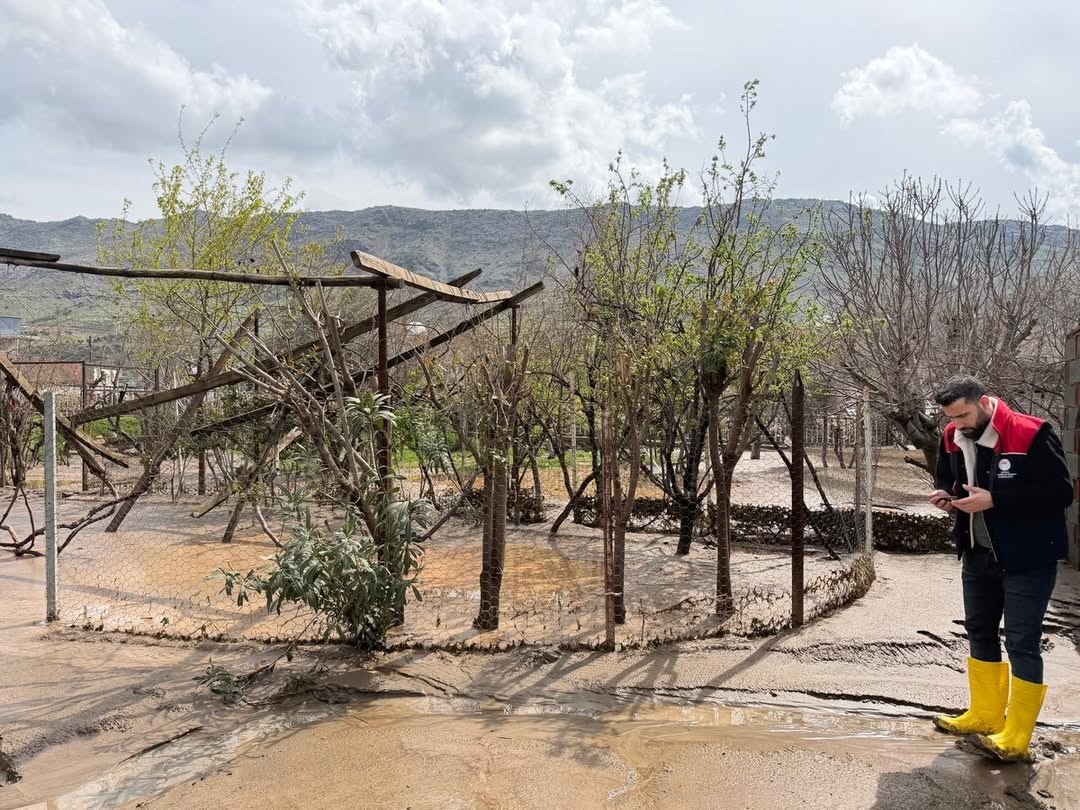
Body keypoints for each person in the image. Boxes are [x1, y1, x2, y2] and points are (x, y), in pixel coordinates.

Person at [928, 375, 1073, 761]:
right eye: (951, 417)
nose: (958, 424)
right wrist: (947, 496)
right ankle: (985, 715)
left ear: (984, 402)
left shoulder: (1032, 432)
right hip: (977, 551)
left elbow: (1061, 492)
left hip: (1028, 558)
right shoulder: (950, 436)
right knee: (979, 632)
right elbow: (950, 479)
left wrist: (996, 500)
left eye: (963, 415)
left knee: (1022, 641)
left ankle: (1017, 736)